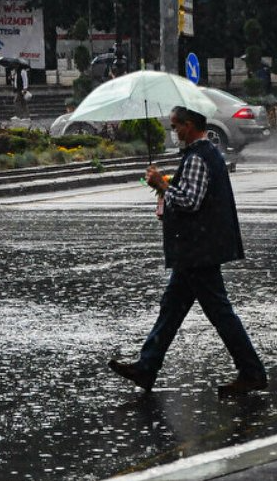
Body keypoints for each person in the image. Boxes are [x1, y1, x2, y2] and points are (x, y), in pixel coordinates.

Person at [108, 106, 267, 398]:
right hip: (197, 249)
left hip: (198, 250)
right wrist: (166, 193)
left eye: (176, 126)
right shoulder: (205, 155)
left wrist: (162, 186)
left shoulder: (196, 157)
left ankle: (252, 372)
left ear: (190, 125)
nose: (174, 132)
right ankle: (147, 366)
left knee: (220, 313)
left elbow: (190, 201)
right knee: (172, 308)